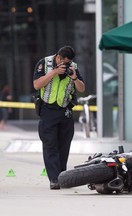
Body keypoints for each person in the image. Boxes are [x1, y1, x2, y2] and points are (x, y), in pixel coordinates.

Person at [33, 46, 85, 189]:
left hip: (65, 110)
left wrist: (74, 77)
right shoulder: (44, 64)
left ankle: (62, 176)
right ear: (58, 57)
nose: (66, 65)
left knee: (64, 144)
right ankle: (54, 179)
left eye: (68, 62)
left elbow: (81, 88)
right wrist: (54, 72)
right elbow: (37, 85)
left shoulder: (74, 68)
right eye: (64, 62)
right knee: (50, 144)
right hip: (48, 109)